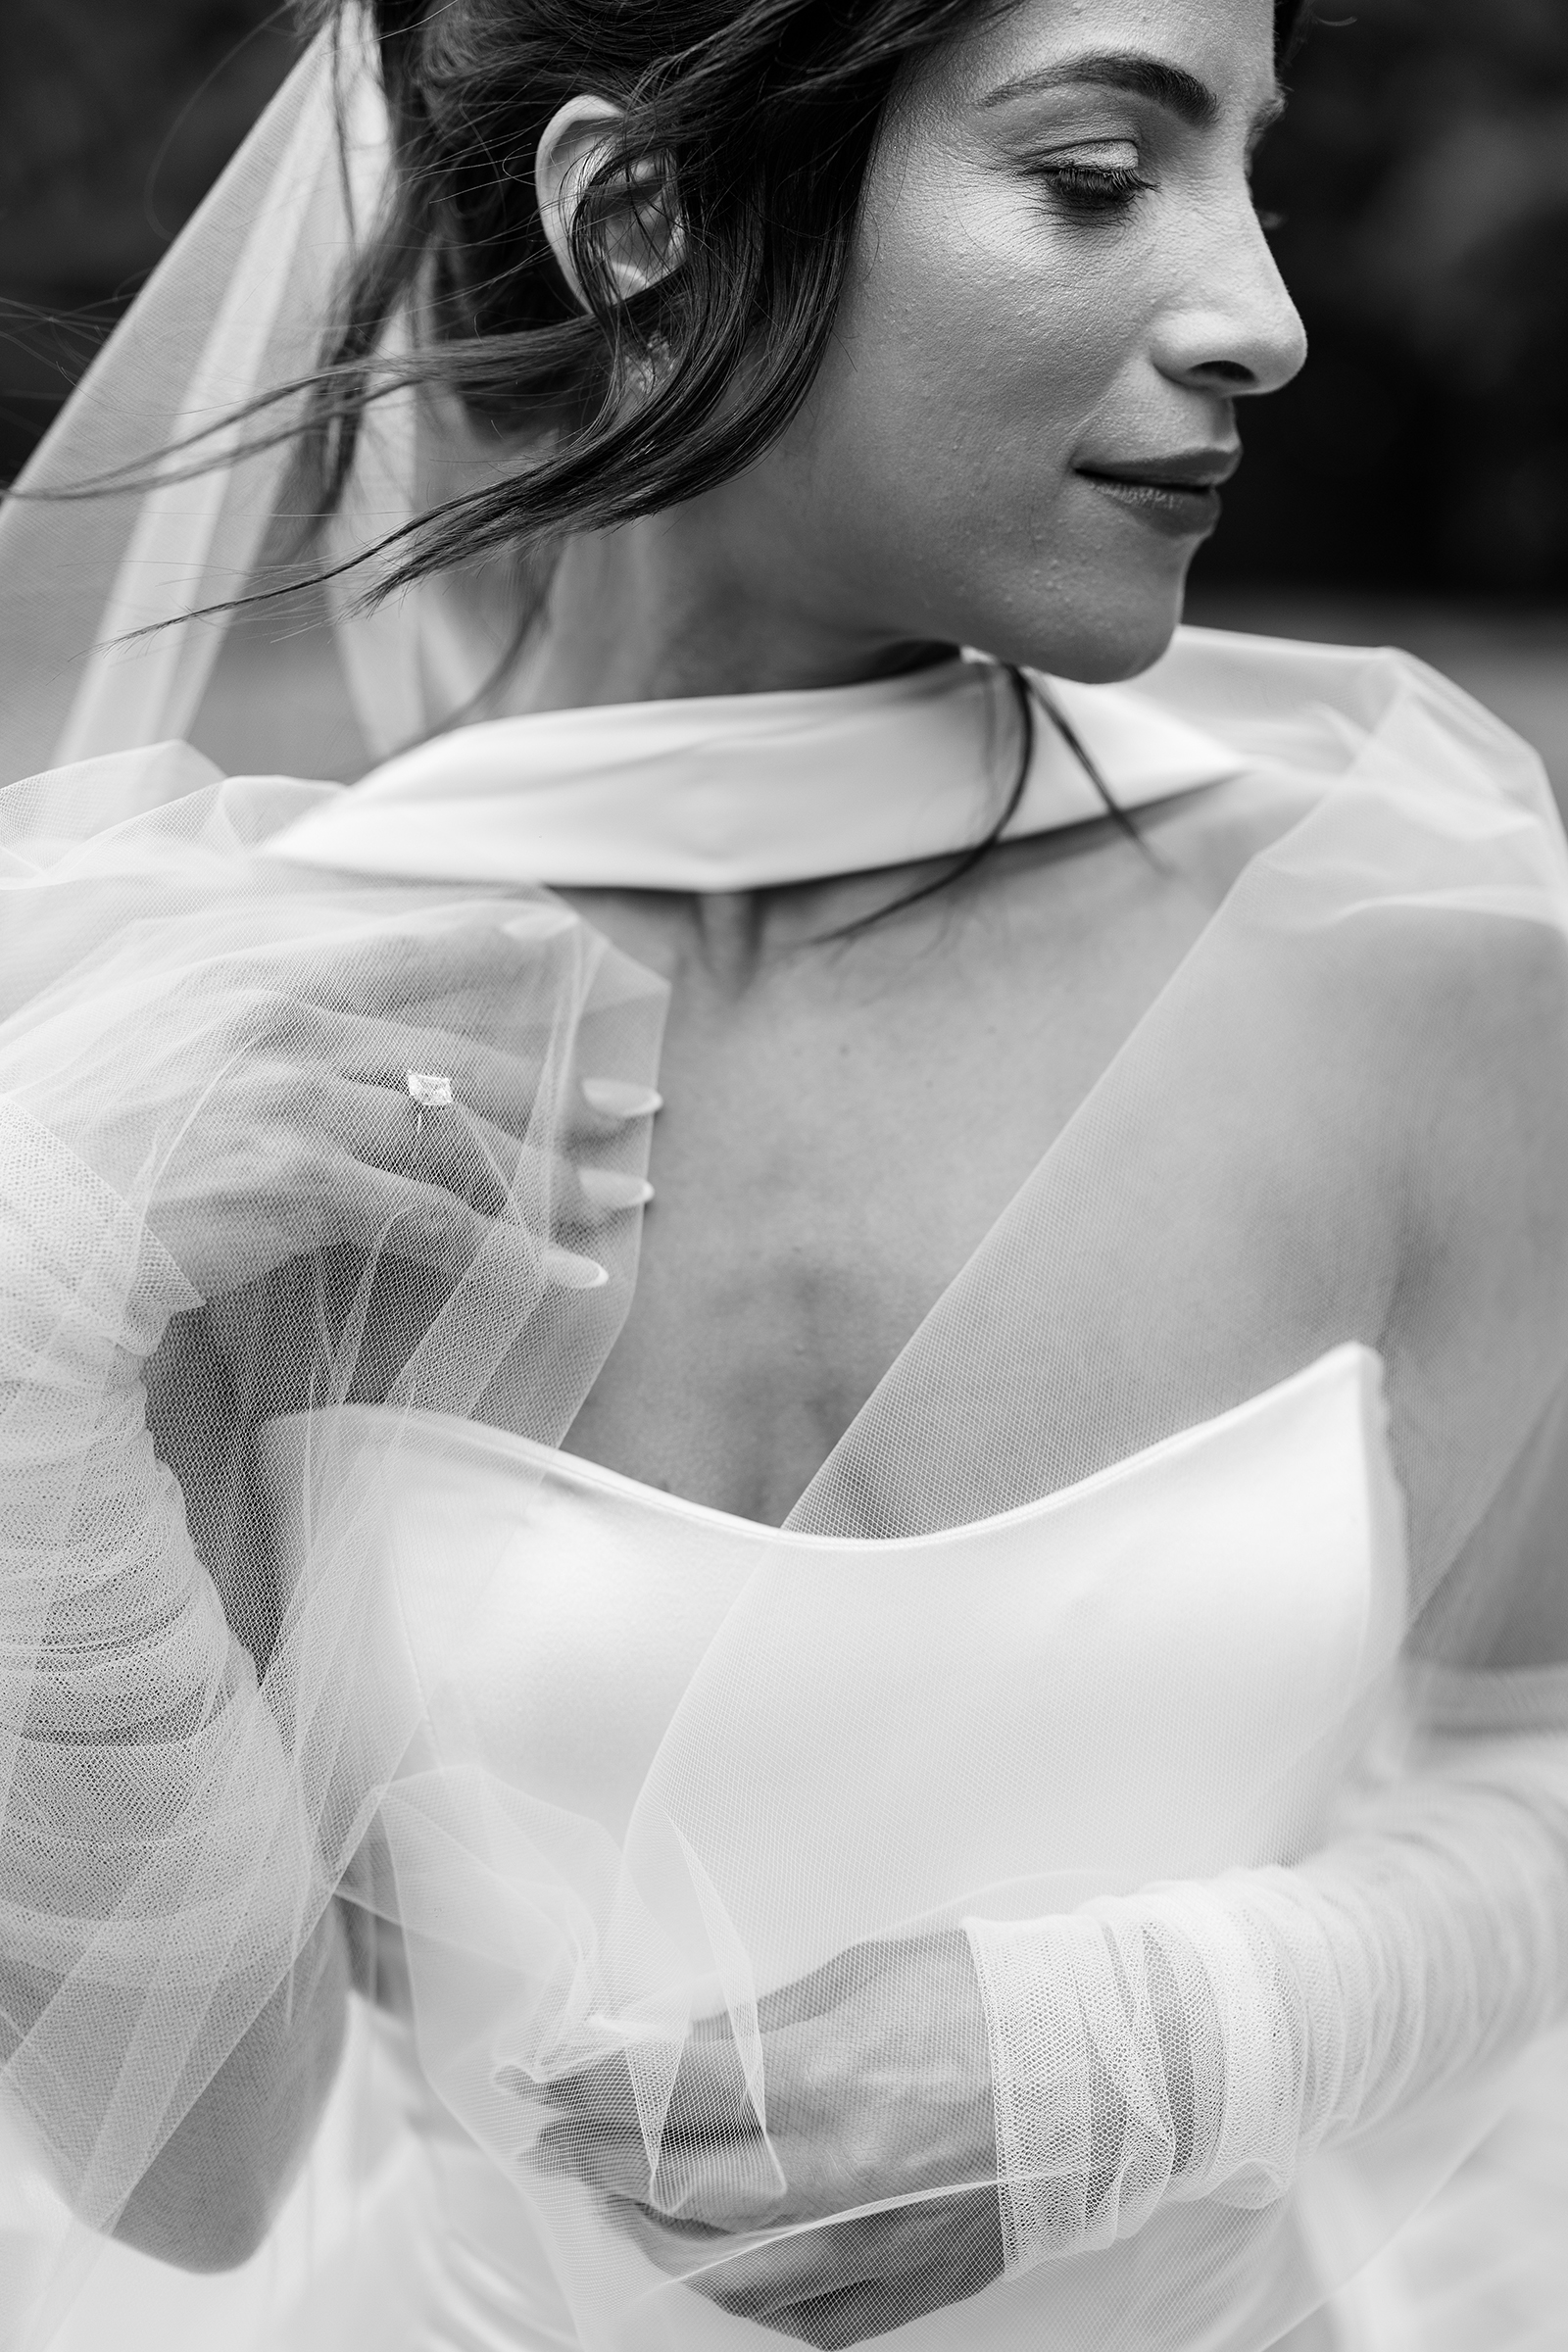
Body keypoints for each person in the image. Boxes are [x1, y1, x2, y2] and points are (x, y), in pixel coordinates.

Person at [1, 1, 1567, 2348]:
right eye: (1091, 173)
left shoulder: (1406, 967)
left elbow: (1534, 1772)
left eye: (1246, 164)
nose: (1263, 309)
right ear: (637, 218)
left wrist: (1156, 2039)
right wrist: (30, 1375)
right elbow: (196, 2169)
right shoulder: (234, 1089)